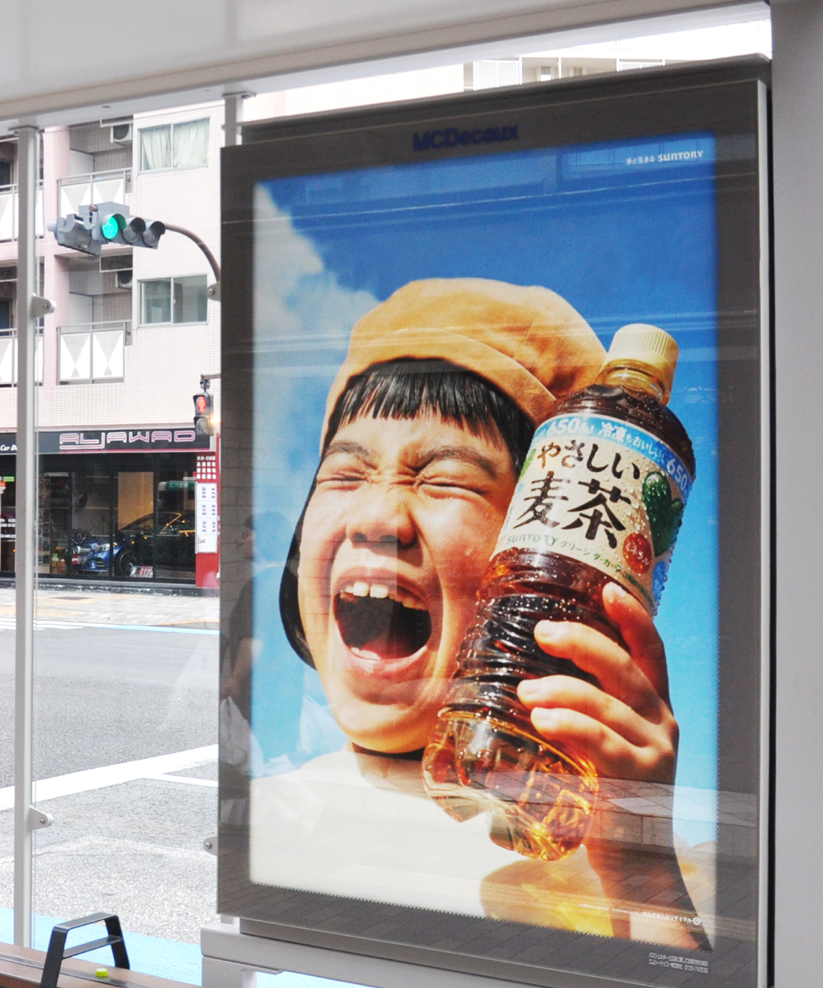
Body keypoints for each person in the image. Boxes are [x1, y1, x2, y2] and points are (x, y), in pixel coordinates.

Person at [260, 277, 707, 949]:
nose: (377, 519)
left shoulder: (629, 879)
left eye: (445, 478)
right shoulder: (269, 817)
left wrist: (640, 871)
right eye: (345, 474)